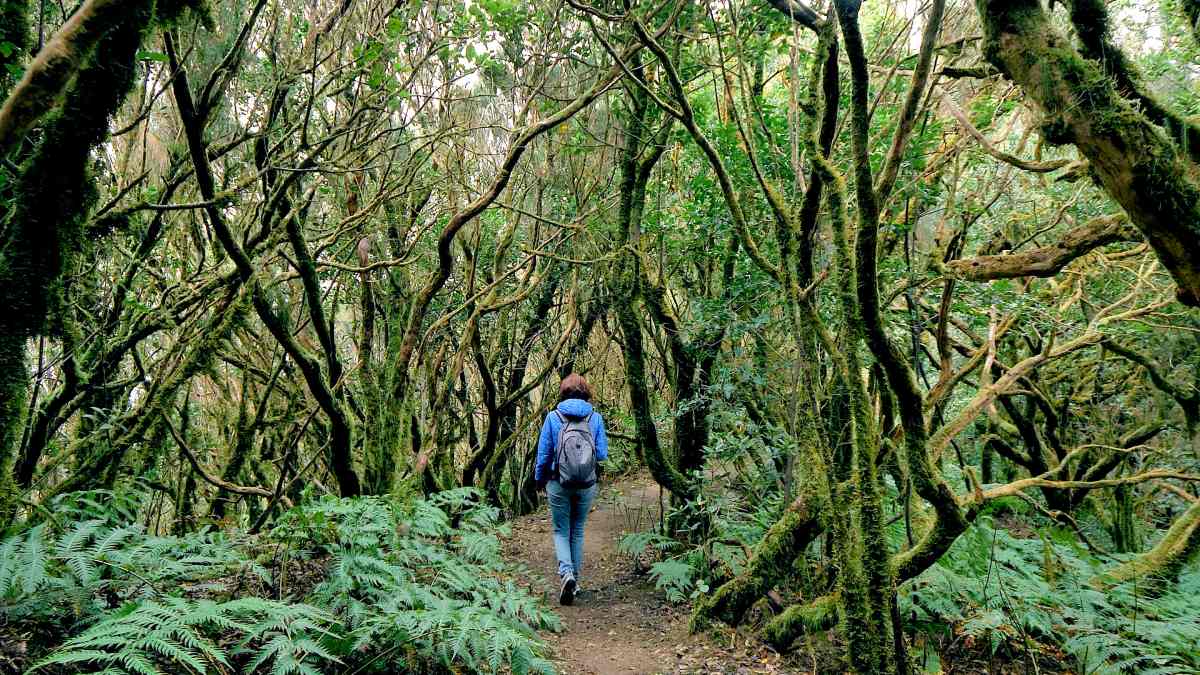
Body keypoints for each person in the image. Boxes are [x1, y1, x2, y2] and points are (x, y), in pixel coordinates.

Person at [535, 373, 608, 606]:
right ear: (586, 392)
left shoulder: (553, 417)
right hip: (586, 484)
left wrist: (539, 481)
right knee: (576, 531)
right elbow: (603, 454)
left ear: (563, 392)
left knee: (560, 530)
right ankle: (574, 581)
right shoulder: (595, 417)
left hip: (558, 483)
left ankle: (566, 574)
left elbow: (543, 455)